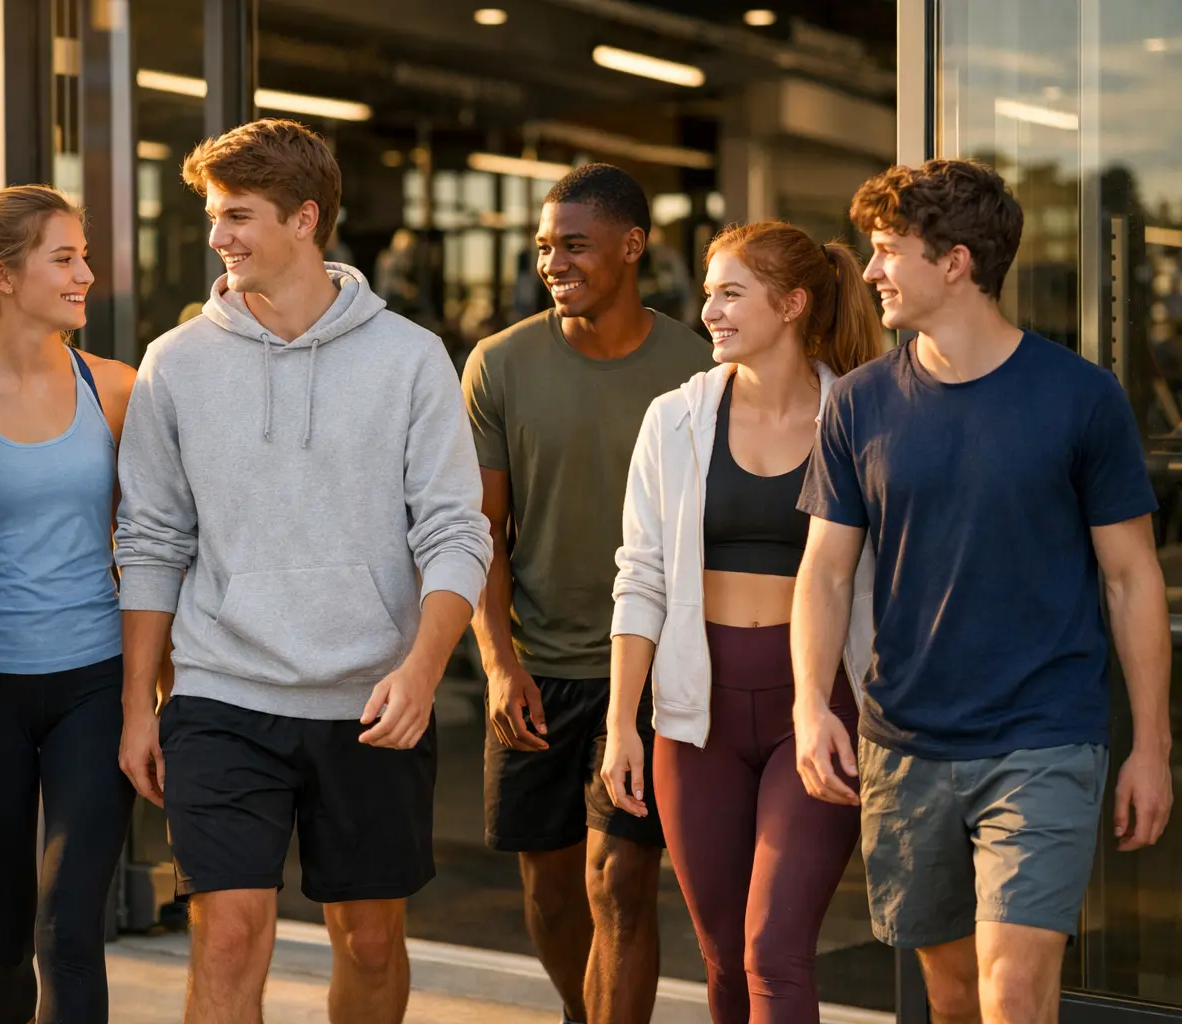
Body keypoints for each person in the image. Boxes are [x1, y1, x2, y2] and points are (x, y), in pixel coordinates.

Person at [114, 118, 492, 1024]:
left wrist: (422, 670)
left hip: (371, 703)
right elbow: (152, 540)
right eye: (214, 215)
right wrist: (139, 705)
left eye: (238, 215)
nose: (218, 236)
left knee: (369, 942)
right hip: (221, 692)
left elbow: (456, 532)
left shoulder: (410, 358)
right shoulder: (176, 363)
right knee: (227, 936)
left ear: (305, 219)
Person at [792, 159, 1173, 1023]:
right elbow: (825, 570)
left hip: (1043, 736)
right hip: (906, 739)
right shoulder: (858, 404)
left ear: (956, 262)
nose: (872, 270)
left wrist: (1152, 745)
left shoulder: (1081, 398)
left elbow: (1132, 578)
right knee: (955, 995)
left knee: (1014, 989)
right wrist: (811, 704)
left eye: (889, 250)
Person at [603, 221, 882, 1024]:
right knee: (725, 955)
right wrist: (623, 723)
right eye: (709, 293)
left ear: (792, 304)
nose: (710, 312)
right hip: (697, 715)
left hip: (820, 709)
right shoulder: (674, 419)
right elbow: (640, 577)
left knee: (774, 949)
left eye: (731, 293)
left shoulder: (857, 417)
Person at [462, 162, 713, 1024]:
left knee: (619, 881)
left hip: (646, 670)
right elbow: (481, 535)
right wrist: (499, 665)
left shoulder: (698, 369)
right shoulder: (499, 364)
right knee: (552, 889)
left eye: (574, 244)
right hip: (538, 670)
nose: (552, 263)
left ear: (632, 246)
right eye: (543, 247)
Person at [0, 185, 138, 1023]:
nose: (87, 274)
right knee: (3, 944)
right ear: (3, 276)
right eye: (65, 258)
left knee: (70, 932)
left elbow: (150, 548)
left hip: (95, 684)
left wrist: (152, 694)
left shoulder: (116, 389)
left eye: (85, 256)